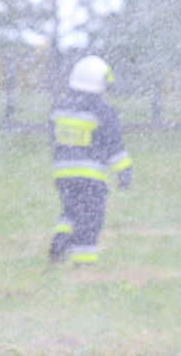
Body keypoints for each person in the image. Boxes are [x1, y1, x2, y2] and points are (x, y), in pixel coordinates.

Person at [48, 55, 132, 265]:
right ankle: (84, 262)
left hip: (63, 175)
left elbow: (53, 139)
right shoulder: (103, 111)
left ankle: (61, 238)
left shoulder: (60, 108)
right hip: (91, 177)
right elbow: (114, 146)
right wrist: (124, 171)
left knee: (71, 210)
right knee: (90, 219)